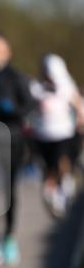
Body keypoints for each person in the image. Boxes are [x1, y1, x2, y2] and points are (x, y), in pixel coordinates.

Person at [0, 32, 35, 266]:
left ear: (7, 51)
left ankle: (9, 238)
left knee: (10, 190)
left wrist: (6, 106)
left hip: (13, 139)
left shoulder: (16, 77)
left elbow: (29, 106)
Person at [27, 54, 84, 218]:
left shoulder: (66, 87)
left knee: (62, 162)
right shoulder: (37, 88)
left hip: (63, 133)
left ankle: (64, 184)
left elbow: (77, 104)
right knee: (49, 167)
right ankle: (53, 193)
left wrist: (80, 120)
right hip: (43, 135)